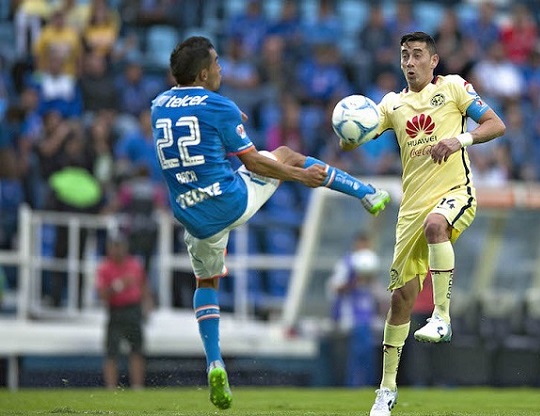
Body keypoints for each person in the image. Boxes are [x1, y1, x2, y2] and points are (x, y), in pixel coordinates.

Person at [150, 36, 390, 410]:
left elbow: (193, 114)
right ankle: (366, 192)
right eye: (215, 63)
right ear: (202, 72)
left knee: (206, 281)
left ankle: (214, 362)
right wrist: (297, 177)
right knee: (287, 155)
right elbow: (255, 165)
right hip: (229, 202)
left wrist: (227, 118)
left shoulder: (158, 105)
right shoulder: (220, 107)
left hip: (190, 213)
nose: (221, 69)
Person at [339, 32, 505, 416]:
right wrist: (346, 128)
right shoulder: (392, 103)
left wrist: (459, 139)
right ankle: (386, 390)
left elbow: (496, 125)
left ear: (433, 61)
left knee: (436, 226)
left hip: (455, 192)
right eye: (404, 56)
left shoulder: (454, 88)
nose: (409, 62)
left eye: (417, 55)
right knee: (399, 300)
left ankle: (442, 316)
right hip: (408, 211)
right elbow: (357, 136)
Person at [326, 232, 384, 387]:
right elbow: (335, 287)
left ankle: (367, 384)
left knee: (369, 352)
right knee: (358, 351)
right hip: (352, 314)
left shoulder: (372, 262)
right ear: (356, 244)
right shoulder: (347, 263)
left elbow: (377, 292)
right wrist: (354, 282)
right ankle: (354, 384)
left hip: (368, 315)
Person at [96, 235, 153, 389]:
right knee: (111, 352)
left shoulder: (134, 264)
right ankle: (111, 388)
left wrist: (147, 305)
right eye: (114, 246)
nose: (117, 250)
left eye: (119, 246)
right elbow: (101, 294)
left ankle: (137, 387)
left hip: (133, 309)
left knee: (137, 350)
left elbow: (144, 285)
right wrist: (119, 285)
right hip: (116, 310)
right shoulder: (104, 267)